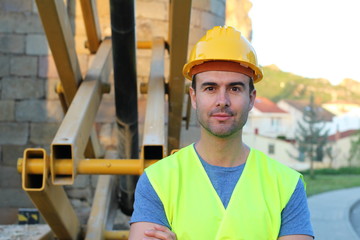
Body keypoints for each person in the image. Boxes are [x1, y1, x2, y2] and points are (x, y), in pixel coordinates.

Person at [128, 26, 314, 240]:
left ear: (251, 98)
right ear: (194, 97)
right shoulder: (158, 180)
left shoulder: (286, 184)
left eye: (235, 88)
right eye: (210, 88)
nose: (222, 101)